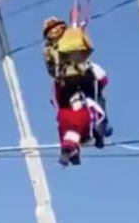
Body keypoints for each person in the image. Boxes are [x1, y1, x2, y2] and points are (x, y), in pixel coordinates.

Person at [41, 17, 112, 164]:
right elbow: (101, 77)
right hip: (82, 76)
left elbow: (50, 70)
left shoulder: (49, 48)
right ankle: (101, 128)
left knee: (68, 115)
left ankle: (71, 147)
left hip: (63, 83)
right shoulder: (71, 36)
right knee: (96, 100)